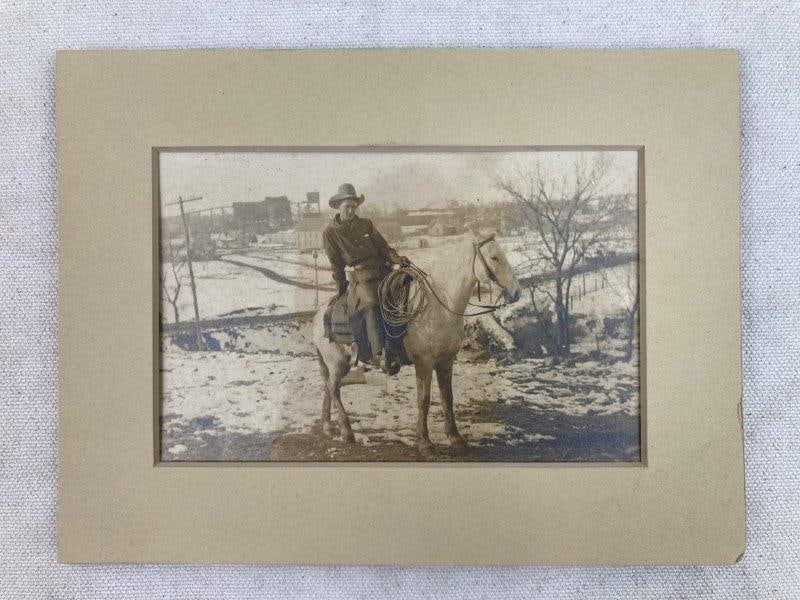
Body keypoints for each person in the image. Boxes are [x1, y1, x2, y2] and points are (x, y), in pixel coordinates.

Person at [322, 183, 410, 370]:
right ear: (339, 207)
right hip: (360, 278)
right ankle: (379, 353)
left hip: (382, 270)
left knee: (405, 290)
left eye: (354, 206)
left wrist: (397, 258)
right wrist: (341, 288)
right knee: (371, 302)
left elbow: (383, 248)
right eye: (347, 206)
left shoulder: (366, 224)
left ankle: (403, 346)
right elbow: (336, 264)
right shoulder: (330, 232)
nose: (351, 210)